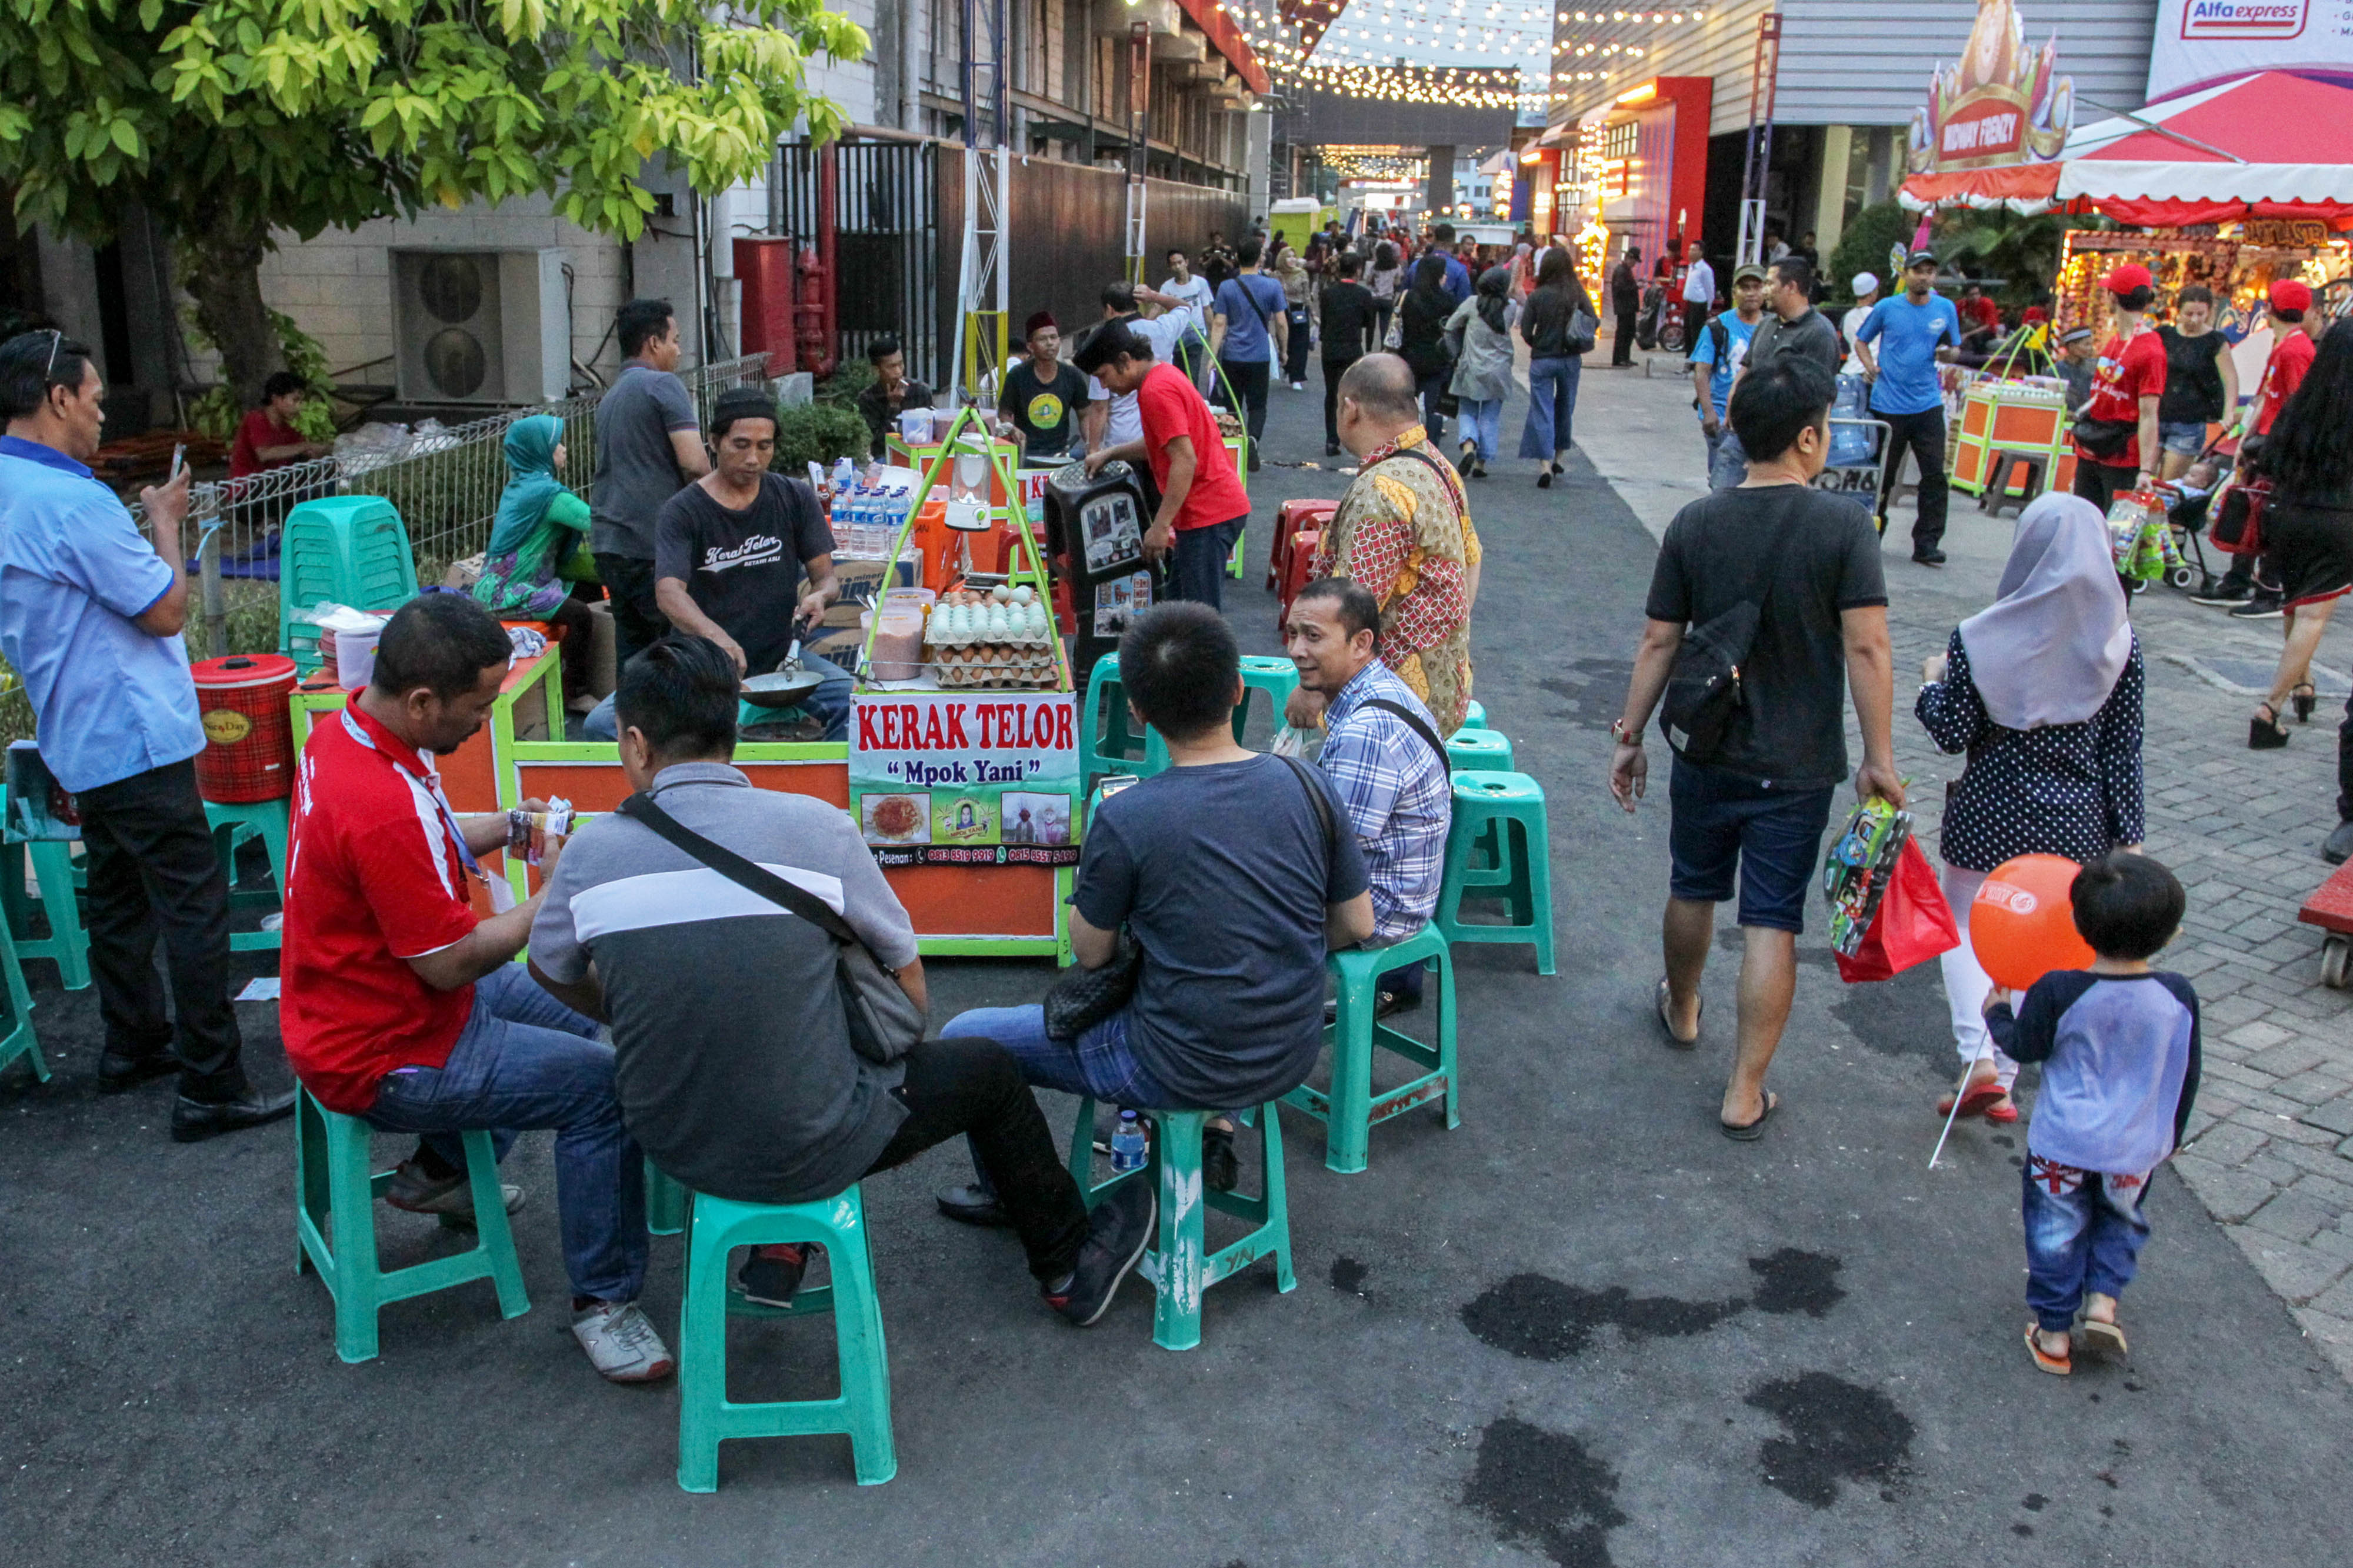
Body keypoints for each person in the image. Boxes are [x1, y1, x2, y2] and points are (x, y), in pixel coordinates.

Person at [529, 635, 1158, 1325]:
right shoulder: (816, 830)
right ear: (734, 728)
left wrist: (627, 1007)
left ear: (638, 743)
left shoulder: (589, 853)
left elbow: (550, 969)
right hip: (813, 1134)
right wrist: (901, 1040)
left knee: (782, 1030)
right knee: (985, 1068)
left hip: (673, 1137)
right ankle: (1068, 1264)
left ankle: (786, 1236)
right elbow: (903, 966)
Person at [280, 593, 669, 1382]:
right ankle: (607, 1305)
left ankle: (441, 1171)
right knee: (605, 1087)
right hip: (390, 1045)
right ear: (423, 700)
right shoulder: (378, 802)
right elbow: (452, 960)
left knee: (571, 1016)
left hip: (360, 997)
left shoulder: (347, 730)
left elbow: (414, 836)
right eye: (480, 705)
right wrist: (554, 895)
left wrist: (501, 827)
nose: (487, 721)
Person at [934, 603, 1373, 1217]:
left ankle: (1017, 1199)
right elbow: (1357, 923)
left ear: (1137, 710)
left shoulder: (1128, 813)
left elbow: (1091, 952)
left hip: (1171, 1059)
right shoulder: (1307, 784)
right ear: (1239, 690)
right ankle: (1208, 1131)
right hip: (1288, 1050)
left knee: (966, 1035)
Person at [0, 330, 292, 1140]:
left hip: (73, 724)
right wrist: (165, 521)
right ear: (57, 399)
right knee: (194, 907)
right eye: (95, 400)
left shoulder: (8, 483)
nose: (100, 415)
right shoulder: (73, 500)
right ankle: (211, 1082)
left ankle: (134, 1042)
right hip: (134, 730)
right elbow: (164, 609)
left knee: (120, 898)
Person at [1607, 356, 1902, 1137]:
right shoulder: (1844, 525)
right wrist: (1881, 757)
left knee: (1693, 883)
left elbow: (1658, 639)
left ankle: (1681, 1007)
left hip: (1706, 744)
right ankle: (1744, 1089)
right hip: (1798, 760)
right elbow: (1868, 647)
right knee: (1773, 917)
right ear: (1808, 438)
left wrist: (1631, 736)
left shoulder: (1696, 523)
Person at [1915, 495, 2145, 1124]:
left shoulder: (1976, 636)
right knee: (2036, 937)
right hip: (2076, 826)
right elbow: (2124, 749)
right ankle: (2008, 1074)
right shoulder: (2119, 644)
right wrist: (2130, 835)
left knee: (1963, 926)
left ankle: (1977, 1060)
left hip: (1988, 810)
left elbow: (1950, 731)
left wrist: (1931, 682)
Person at [1988, 853, 2199, 1376]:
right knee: (2120, 1221)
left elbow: (2025, 1045)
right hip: (2135, 1147)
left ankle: (2055, 1334)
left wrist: (1996, 1012)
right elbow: (2186, 1072)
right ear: (2170, 935)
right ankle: (2104, 1303)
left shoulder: (2058, 989)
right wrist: (2169, 1136)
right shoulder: (2178, 995)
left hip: (2063, 1144)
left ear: (2079, 927)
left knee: (2056, 1232)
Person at [586, 387, 848, 742]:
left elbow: (827, 580)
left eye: (764, 446)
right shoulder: (682, 511)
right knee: (601, 726)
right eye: (741, 445)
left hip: (780, 662)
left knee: (858, 707)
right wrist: (716, 639)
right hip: (698, 667)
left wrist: (821, 598)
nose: (753, 458)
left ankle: (807, 791)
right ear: (714, 441)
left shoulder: (795, 497)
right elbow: (668, 593)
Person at [1287, 577, 1452, 1016]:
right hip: (1394, 888)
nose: (1296, 650)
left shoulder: (1366, 732)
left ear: (1361, 643)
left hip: (1380, 909)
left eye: (1313, 637)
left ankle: (1252, 1045)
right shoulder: (1378, 691)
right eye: (1294, 634)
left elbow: (1326, 854)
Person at [1310, 355, 1483, 735]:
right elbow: (1472, 560)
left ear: (1349, 409)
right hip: (1441, 695)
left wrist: (1313, 691)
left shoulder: (1380, 491)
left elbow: (1348, 610)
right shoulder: (1437, 464)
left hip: (1384, 711)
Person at [1075, 320, 1253, 609]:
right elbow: (1160, 442)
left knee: (1199, 617)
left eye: (1103, 376)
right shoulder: (1163, 376)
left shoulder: (1155, 391)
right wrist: (1110, 453)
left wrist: (1160, 526)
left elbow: (1184, 459)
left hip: (1208, 512)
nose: (1104, 386)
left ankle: (1208, 656)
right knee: (1177, 609)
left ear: (1124, 361)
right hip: (1209, 511)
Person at [2241, 322, 2353, 754]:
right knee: (2313, 615)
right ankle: (2270, 708)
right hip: (2337, 519)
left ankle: (2304, 685)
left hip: (2286, 515)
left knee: (2296, 603)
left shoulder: (2303, 404)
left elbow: (2269, 455)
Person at [591, 299, 709, 669]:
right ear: (654, 343)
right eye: (675, 340)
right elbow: (695, 465)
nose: (678, 350)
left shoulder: (610, 398)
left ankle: (626, 725)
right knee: (677, 656)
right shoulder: (663, 385)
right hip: (652, 545)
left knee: (634, 655)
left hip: (610, 544)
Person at [2198, 281, 2323, 618]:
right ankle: (2238, 581)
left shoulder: (2295, 351)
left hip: (2277, 447)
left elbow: (2297, 407)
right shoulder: (2284, 346)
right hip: (2265, 443)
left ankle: (2268, 591)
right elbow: (2267, 399)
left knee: (2266, 516)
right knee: (2251, 511)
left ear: (2272, 308)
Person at [472, 413, 598, 714]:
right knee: (581, 615)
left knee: (590, 593)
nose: (564, 449)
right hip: (507, 592)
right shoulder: (547, 494)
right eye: (556, 444)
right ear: (539, 451)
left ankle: (572, 677)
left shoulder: (522, 485)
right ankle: (577, 693)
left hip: (503, 585)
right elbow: (595, 521)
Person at [1854, 248, 1962, 566]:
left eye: (1930, 271)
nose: (1924, 277)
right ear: (1906, 275)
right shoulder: (1887, 307)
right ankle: (1871, 533)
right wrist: (1870, 365)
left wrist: (1949, 356)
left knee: (1934, 476)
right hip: (1888, 405)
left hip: (1927, 404)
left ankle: (1927, 543)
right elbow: (1861, 340)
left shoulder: (1945, 308)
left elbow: (1955, 348)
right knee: (1882, 476)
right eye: (1918, 271)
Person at [1712, 256, 1841, 489]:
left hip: (1780, 447)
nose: (1764, 291)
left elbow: (1820, 397)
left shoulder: (1819, 333)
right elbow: (1747, 365)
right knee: (1723, 494)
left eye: (1770, 284)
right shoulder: (1767, 324)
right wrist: (1734, 397)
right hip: (1742, 435)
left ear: (1791, 287)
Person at [2069, 263, 2166, 516]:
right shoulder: (2115, 340)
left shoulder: (2150, 350)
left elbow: (2149, 414)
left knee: (2112, 534)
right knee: (2084, 523)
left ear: (2112, 296)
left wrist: (2145, 470)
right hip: (2093, 448)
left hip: (2122, 456)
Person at [1082, 281, 1201, 479]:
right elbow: (1185, 307)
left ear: (1109, 309)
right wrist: (1154, 297)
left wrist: (1094, 451)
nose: (1103, 383)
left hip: (1122, 442)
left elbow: (1100, 407)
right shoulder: (1163, 330)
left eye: (1103, 376)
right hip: (1160, 440)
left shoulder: (1104, 346)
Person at [1519, 248, 1595, 488]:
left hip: (1543, 358)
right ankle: (1559, 457)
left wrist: (1538, 343)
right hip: (1570, 358)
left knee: (1542, 409)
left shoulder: (1538, 296)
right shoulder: (1576, 293)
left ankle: (1544, 465)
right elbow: (1594, 319)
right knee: (1565, 406)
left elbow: (1525, 331)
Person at [1210, 237, 1288, 469]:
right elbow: (1281, 323)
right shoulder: (1272, 286)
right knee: (1257, 405)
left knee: (1232, 405)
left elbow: (1219, 323)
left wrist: (1213, 357)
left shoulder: (1227, 287)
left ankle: (1235, 450)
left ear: (1237, 257)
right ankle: (1253, 439)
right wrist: (1284, 350)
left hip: (1232, 355)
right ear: (1259, 258)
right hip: (1260, 356)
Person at [2154, 285, 2238, 483]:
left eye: (2201, 314)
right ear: (2178, 312)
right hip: (2157, 415)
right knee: (2143, 478)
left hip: (2190, 422)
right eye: (2189, 314)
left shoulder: (2215, 341)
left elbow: (2230, 379)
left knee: (2169, 485)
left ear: (2209, 312)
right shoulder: (2164, 335)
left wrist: (2229, 412)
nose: (2195, 320)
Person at [1692, 265, 1767, 486]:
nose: (1751, 293)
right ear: (1734, 293)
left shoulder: (1774, 328)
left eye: (1757, 287)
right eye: (1744, 288)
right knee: (1724, 487)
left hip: (1761, 422)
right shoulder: (1717, 327)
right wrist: (1708, 413)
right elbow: (1701, 372)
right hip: (1724, 421)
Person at [1444, 266, 1518, 480]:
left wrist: (1454, 354)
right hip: (1500, 370)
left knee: (1467, 411)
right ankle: (1481, 463)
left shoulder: (1471, 304)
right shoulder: (1511, 307)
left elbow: (1450, 327)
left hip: (1470, 367)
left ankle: (1468, 447)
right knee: (1490, 416)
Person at [999, 311, 1091, 462]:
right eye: (1042, 339)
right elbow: (1005, 413)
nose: (1050, 343)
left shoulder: (1072, 375)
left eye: (1053, 337)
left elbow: (1085, 414)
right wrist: (1012, 430)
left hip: (1061, 454)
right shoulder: (1017, 376)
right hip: (1027, 454)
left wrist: (1090, 446)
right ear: (1030, 346)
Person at [1319, 252, 1379, 457]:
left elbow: (1324, 321)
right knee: (1353, 395)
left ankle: (1331, 439)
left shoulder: (1328, 293)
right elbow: (1369, 323)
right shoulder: (1363, 295)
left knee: (1332, 394)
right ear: (1358, 270)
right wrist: (1370, 346)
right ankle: (1353, 438)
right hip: (1353, 348)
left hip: (1330, 348)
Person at [1397, 253, 1458, 441]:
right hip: (1438, 359)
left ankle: (1405, 441)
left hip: (1410, 356)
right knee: (1435, 408)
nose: (1445, 276)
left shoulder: (1409, 298)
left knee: (1406, 405)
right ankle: (1432, 449)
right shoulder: (1449, 300)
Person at [228, 371, 329, 478]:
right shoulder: (255, 419)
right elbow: (264, 454)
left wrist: (323, 450)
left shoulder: (287, 429)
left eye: (300, 402)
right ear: (276, 399)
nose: (299, 407)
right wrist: (306, 446)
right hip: (248, 488)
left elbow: (306, 451)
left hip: (275, 486)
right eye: (295, 400)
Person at [854, 336, 934, 462]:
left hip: (919, 452)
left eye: (901, 364)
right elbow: (879, 442)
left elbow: (932, 428)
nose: (898, 372)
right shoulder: (868, 398)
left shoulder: (920, 391)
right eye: (891, 367)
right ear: (877, 370)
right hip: (886, 456)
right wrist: (893, 406)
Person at [1159, 249, 1218, 389]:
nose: (1178, 267)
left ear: (1186, 262)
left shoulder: (1200, 283)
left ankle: (1192, 402)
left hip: (1195, 334)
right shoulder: (1167, 287)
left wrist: (1212, 334)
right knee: (1179, 375)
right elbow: (1158, 307)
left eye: (1180, 262)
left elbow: (1207, 309)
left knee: (1192, 375)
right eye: (1174, 264)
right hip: (1177, 336)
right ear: (1170, 267)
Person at [1278, 251, 1315, 391]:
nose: (1293, 259)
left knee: (1301, 344)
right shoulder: (1277, 275)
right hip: (1282, 312)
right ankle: (1287, 368)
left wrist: (1313, 313)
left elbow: (1307, 296)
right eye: (1289, 256)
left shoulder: (1302, 274)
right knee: (1286, 343)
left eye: (1294, 256)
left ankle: (1297, 377)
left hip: (1300, 311)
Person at [1839, 273, 1881, 376]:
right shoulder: (1878, 314)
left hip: (1850, 370)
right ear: (1872, 293)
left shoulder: (1847, 317)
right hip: (1873, 370)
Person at [1367, 239, 1404, 353]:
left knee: (1371, 325)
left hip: (1374, 299)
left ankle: (1368, 347)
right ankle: (1383, 348)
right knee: (1385, 326)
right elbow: (1398, 283)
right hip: (1388, 299)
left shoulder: (1375, 267)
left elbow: (1368, 281)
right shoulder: (1396, 267)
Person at [2053, 325, 2099, 413]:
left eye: (2091, 344)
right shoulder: (2056, 371)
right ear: (2072, 346)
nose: (2090, 348)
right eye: (2086, 344)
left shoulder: (2095, 367)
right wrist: (2065, 413)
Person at [1610, 246, 1642, 369]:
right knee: (1623, 334)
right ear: (1629, 258)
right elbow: (1620, 289)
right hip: (1624, 308)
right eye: (1634, 261)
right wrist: (1636, 286)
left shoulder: (1625, 270)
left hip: (1628, 308)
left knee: (1629, 332)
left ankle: (1625, 357)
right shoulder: (1621, 271)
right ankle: (1619, 359)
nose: (1634, 264)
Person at [1431, 222, 1473, 305]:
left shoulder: (1416, 266)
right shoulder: (1460, 269)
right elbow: (1464, 303)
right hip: (1448, 316)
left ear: (1434, 239)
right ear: (1453, 243)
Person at [1681, 248, 1718, 322]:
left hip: (1699, 305)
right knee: (1688, 330)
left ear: (1701, 253)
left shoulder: (1705, 269)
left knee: (1696, 330)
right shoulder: (1691, 267)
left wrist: (1708, 307)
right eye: (1690, 250)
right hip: (1688, 303)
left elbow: (1710, 289)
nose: (1690, 252)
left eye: (1693, 250)